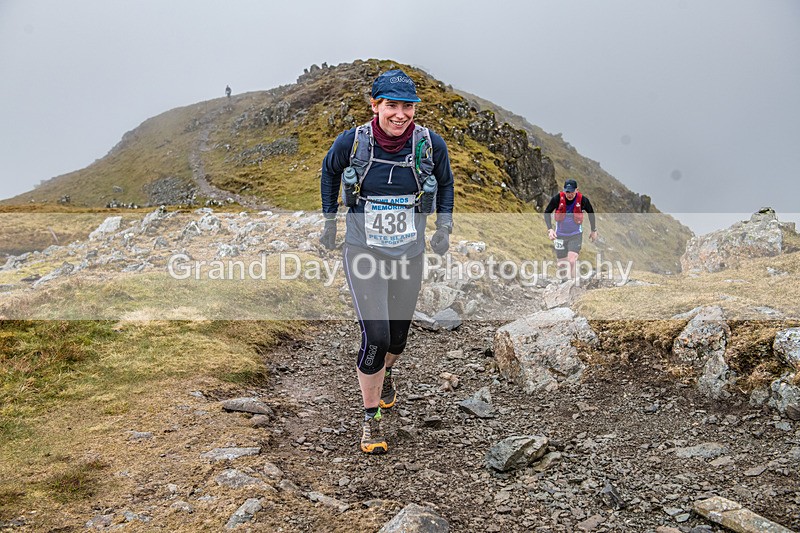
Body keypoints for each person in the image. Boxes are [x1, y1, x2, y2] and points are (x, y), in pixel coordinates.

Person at [320, 69, 454, 454]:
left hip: (409, 252)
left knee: (397, 339)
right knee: (375, 338)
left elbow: (444, 183)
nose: (400, 114)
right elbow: (329, 173)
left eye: (407, 106)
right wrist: (330, 221)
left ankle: (387, 372)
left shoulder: (430, 145)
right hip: (363, 249)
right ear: (375, 105)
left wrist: (443, 227)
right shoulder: (353, 142)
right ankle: (370, 418)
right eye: (391, 105)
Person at [543, 178, 598, 280]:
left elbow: (591, 214)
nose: (569, 194)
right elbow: (547, 212)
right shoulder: (557, 199)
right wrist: (550, 229)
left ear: (577, 190)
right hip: (560, 235)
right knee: (561, 265)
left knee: (572, 260)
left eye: (572, 191)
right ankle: (564, 284)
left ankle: (573, 284)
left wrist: (593, 230)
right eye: (567, 192)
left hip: (575, 235)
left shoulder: (583, 200)